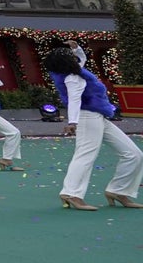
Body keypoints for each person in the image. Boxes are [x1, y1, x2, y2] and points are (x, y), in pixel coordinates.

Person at [46, 43, 142, 210]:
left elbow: (81, 59)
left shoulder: (73, 72)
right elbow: (74, 100)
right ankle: (72, 193)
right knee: (85, 155)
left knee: (133, 154)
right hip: (87, 117)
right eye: (70, 55)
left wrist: (77, 49)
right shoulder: (73, 78)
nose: (73, 57)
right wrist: (72, 122)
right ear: (67, 62)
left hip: (97, 117)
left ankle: (118, 190)